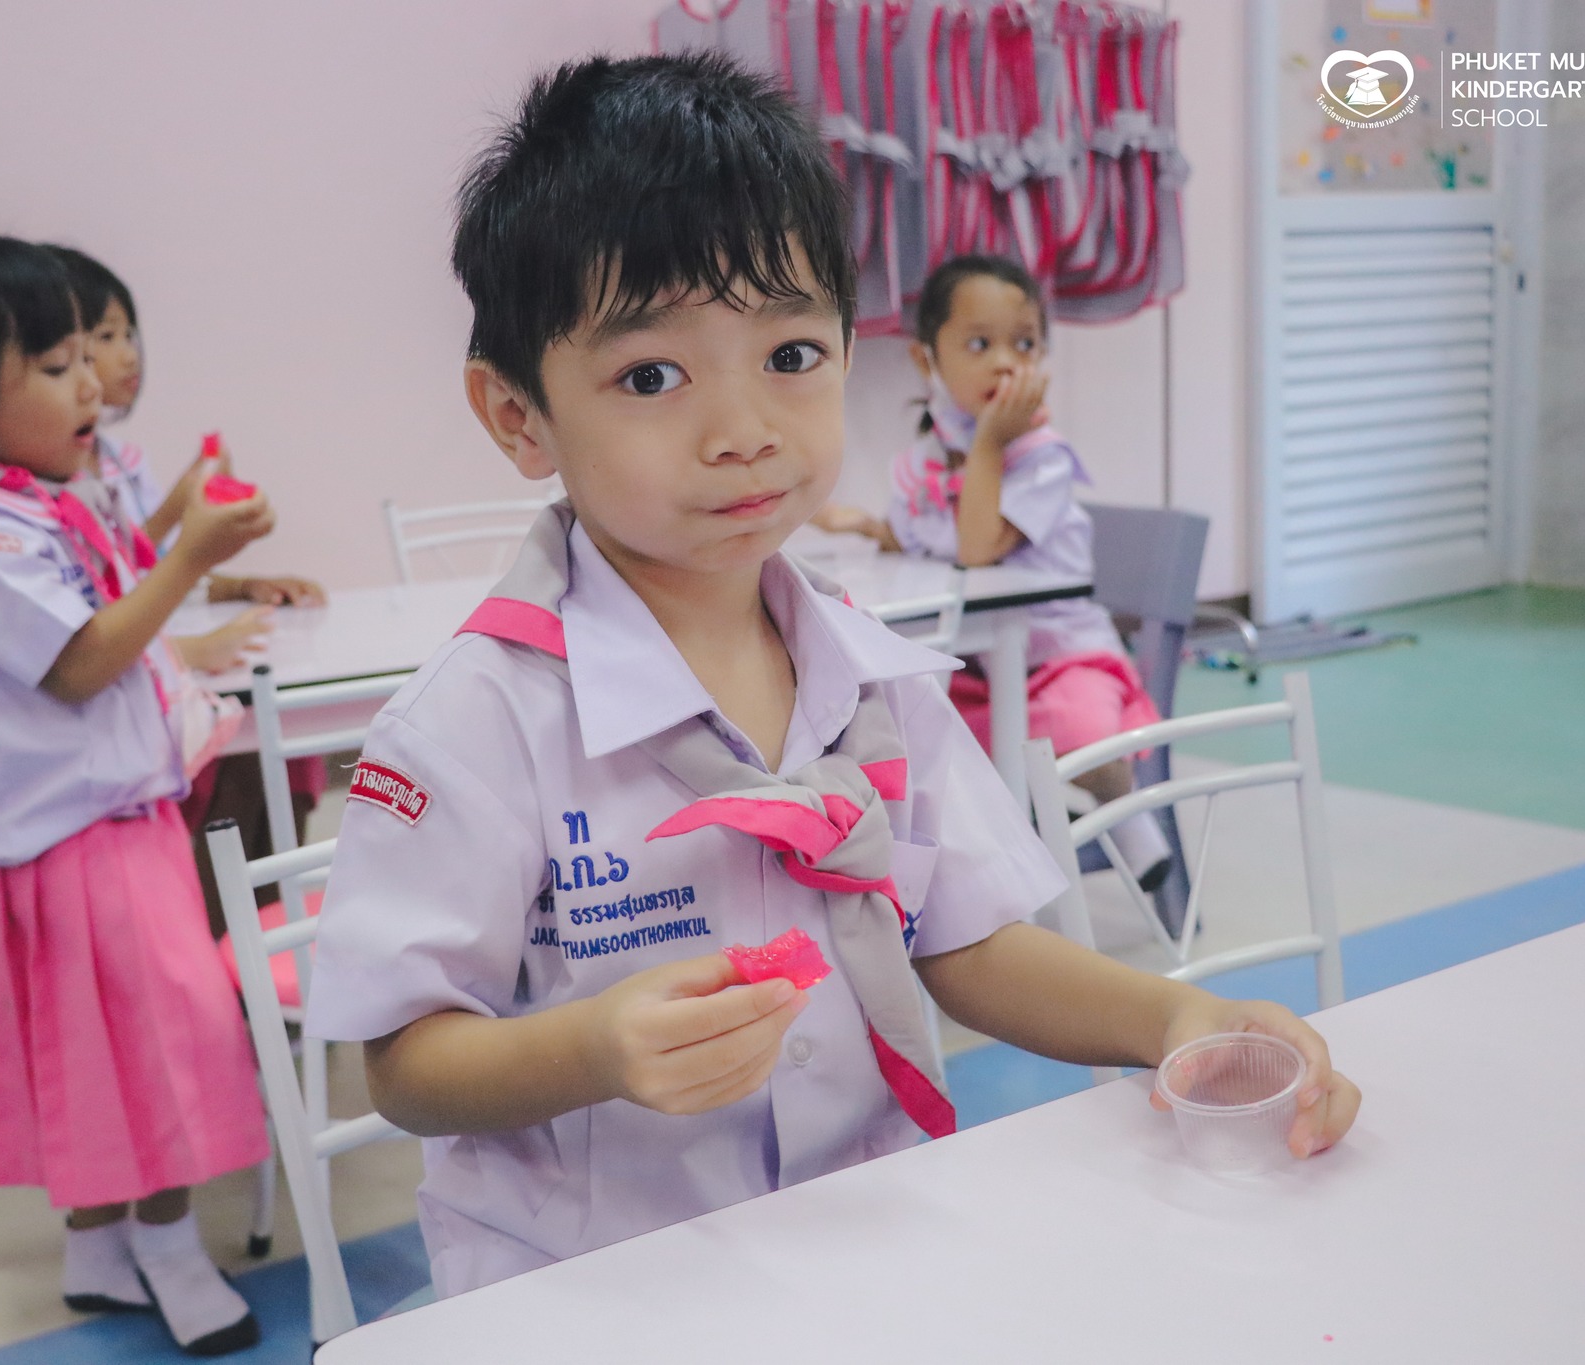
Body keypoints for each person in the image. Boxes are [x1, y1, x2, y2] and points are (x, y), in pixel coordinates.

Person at [302, 54, 1361, 1300]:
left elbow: (967, 945)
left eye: (791, 354)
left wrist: (1169, 1019)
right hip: (590, 1286)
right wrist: (590, 1049)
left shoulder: (870, 670)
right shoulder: (475, 723)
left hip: (858, 1239)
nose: (742, 430)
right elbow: (404, 1064)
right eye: (650, 376)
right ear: (518, 415)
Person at [0, 231, 271, 1355]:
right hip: (77, 838)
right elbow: (80, 660)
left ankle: (99, 1253)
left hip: (100, 822)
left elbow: (112, 600)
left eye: (90, 355)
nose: (91, 385)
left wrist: (180, 547)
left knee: (100, 1052)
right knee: (160, 1045)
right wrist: (191, 556)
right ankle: (168, 1250)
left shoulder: (28, 491)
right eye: (57, 363)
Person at [813, 253, 1174, 887]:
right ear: (926, 359)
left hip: (1066, 657)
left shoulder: (1040, 458)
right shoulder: (924, 462)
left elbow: (978, 548)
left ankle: (1124, 813)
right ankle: (973, 869)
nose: (1006, 362)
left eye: (1025, 344)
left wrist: (989, 443)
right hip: (984, 669)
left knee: (1080, 724)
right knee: (912, 728)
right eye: (980, 344)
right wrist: (871, 527)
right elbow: (932, 543)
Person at [46, 245, 328, 933]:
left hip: (155, 674)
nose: (124, 357)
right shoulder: (40, 489)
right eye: (98, 340)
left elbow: (152, 569)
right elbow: (111, 590)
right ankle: (226, 937)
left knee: (282, 757)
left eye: (126, 335)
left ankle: (265, 935)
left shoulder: (117, 460)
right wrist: (181, 514)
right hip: (126, 718)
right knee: (244, 748)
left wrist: (241, 582)